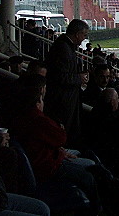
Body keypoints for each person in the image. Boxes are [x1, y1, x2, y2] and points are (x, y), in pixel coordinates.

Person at [44, 19, 89, 148]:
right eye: (84, 35)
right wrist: (78, 79)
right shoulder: (63, 48)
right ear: (77, 34)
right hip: (62, 102)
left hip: (66, 100)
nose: (84, 39)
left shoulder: (65, 46)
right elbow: (59, 77)